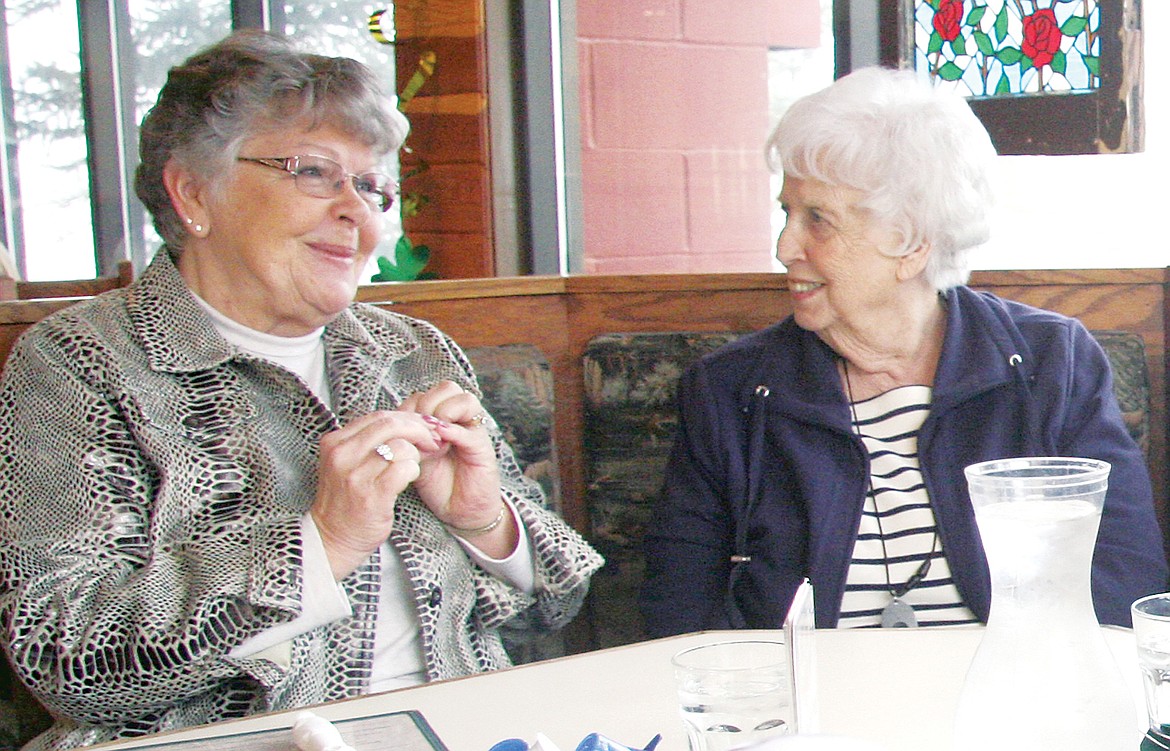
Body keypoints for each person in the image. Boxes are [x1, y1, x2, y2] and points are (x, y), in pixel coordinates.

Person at [0, 30, 602, 750]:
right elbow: (63, 655)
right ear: (193, 191)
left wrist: (484, 521)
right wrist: (320, 542)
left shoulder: (409, 350)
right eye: (315, 172)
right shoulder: (82, 362)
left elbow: (562, 598)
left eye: (373, 187)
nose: (360, 211)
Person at [640, 67, 1168, 635]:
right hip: (805, 711)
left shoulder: (1051, 365)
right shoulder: (730, 392)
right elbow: (678, 617)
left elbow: (1125, 586)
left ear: (913, 244)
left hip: (1013, 702)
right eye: (786, 213)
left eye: (818, 219)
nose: (784, 246)